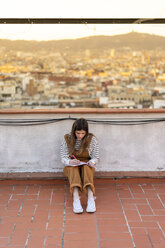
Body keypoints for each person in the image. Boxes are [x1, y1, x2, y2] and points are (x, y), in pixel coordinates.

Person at [60, 118, 99, 214]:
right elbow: (63, 157)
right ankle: (76, 198)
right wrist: (70, 162)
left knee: (86, 169)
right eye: (78, 133)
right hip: (72, 165)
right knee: (73, 170)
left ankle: (90, 198)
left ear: (86, 132)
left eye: (82, 133)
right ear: (74, 131)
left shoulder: (92, 139)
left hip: (86, 164)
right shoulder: (67, 138)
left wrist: (92, 162)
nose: (80, 136)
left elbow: (96, 157)